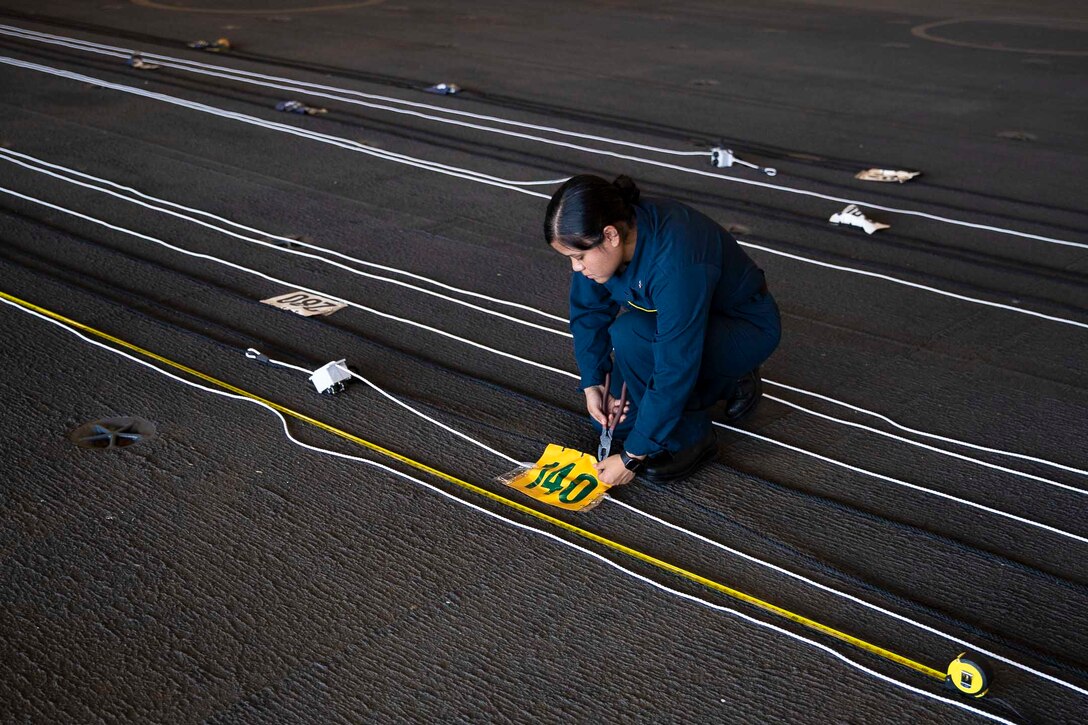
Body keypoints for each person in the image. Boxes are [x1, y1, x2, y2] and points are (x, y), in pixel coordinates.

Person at [545, 174, 781, 486]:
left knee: (630, 335)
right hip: (679, 326)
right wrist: (593, 382)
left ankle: (693, 436)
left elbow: (675, 364)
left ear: (610, 235)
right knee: (617, 424)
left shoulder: (677, 260)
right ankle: (719, 383)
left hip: (743, 328)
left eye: (578, 257)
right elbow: (588, 312)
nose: (576, 267)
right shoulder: (604, 239)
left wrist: (633, 456)